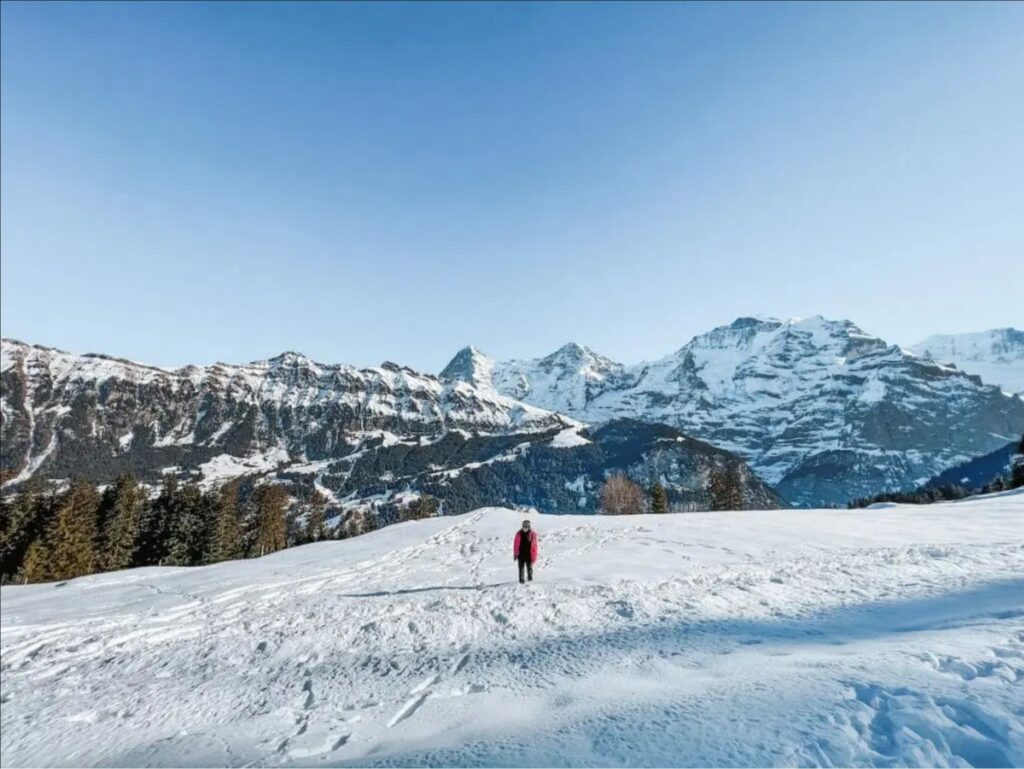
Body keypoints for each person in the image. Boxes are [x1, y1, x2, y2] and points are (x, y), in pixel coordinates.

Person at [513, 519, 538, 584]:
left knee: (529, 567)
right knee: (521, 567)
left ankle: (530, 578)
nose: (525, 527)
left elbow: (534, 546)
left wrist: (534, 555)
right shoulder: (519, 533)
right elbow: (516, 544)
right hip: (520, 554)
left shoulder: (532, 534)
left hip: (529, 554)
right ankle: (521, 580)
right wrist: (516, 553)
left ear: (529, 526)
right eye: (524, 526)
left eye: (526, 526)